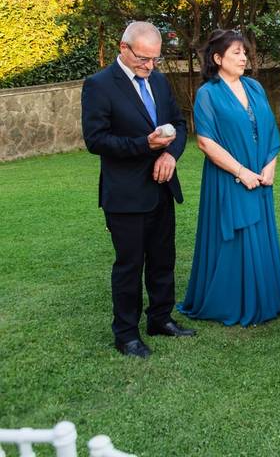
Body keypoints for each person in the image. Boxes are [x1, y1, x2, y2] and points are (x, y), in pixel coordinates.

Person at [81, 21, 196, 359]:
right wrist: (145, 145)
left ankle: (160, 319)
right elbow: (96, 140)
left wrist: (171, 155)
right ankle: (126, 334)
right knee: (130, 265)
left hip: (162, 187)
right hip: (126, 194)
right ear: (124, 48)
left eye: (155, 60)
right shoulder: (99, 85)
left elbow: (178, 124)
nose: (150, 66)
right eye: (144, 59)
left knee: (163, 259)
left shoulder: (158, 81)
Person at [178, 30, 280, 327]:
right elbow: (206, 142)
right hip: (228, 176)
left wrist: (270, 166)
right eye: (237, 53)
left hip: (260, 173)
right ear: (218, 59)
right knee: (235, 236)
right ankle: (229, 301)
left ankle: (264, 297)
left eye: (244, 52)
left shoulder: (254, 87)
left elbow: (269, 130)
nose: (244, 58)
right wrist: (241, 172)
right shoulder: (208, 94)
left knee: (259, 231)